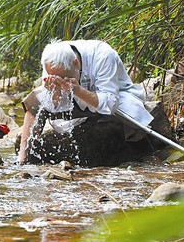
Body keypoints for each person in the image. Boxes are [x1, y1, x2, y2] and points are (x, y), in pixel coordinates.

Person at [17, 39, 154, 165]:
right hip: (76, 103)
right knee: (35, 100)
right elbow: (52, 104)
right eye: (54, 76)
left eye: (64, 77)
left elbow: (110, 103)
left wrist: (78, 90)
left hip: (114, 97)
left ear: (76, 62)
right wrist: (56, 92)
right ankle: (22, 157)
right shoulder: (51, 59)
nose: (59, 79)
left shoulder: (103, 55)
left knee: (129, 115)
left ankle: (138, 151)